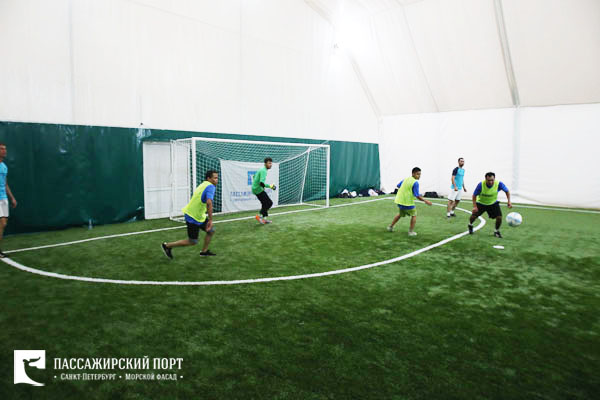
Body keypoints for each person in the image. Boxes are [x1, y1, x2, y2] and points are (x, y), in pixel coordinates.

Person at [161, 170, 218, 258]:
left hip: (199, 216)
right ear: (208, 178)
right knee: (193, 241)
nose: (216, 180)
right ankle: (167, 246)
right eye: (215, 178)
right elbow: (209, 203)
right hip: (193, 216)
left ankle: (204, 252)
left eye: (217, 178)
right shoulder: (210, 187)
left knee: (211, 231)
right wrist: (210, 220)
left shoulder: (203, 184)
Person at [387, 167, 432, 236]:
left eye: (420, 174)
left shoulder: (406, 179)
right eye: (417, 174)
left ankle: (390, 227)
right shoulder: (415, 183)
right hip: (407, 203)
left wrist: (405, 190)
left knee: (400, 214)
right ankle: (411, 232)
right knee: (414, 215)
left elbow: (398, 186)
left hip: (400, 201)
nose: (419, 176)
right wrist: (426, 201)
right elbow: (417, 196)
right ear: (413, 174)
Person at [468, 172, 512, 238]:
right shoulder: (481, 185)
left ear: (494, 179)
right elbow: (474, 195)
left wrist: (509, 201)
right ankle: (470, 224)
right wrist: (475, 207)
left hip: (493, 203)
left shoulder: (499, 184)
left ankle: (496, 231)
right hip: (481, 203)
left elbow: (507, 191)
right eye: (488, 180)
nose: (490, 182)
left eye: (492, 180)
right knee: (473, 216)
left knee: (499, 217)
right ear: (485, 179)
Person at [0, 143, 17, 258]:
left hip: (3, 198)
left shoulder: (4, 167)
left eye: (5, 149)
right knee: (2, 223)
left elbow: (5, 184)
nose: (4, 151)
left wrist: (12, 198)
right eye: (1, 149)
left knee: (3, 224)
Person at [252, 157, 277, 224]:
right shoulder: (264, 171)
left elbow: (254, 176)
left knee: (264, 204)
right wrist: (271, 186)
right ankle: (259, 216)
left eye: (271, 163)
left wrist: (256, 184)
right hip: (258, 190)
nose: (270, 165)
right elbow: (261, 183)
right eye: (269, 163)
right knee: (269, 203)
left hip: (256, 189)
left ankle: (264, 219)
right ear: (265, 164)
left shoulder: (262, 169)